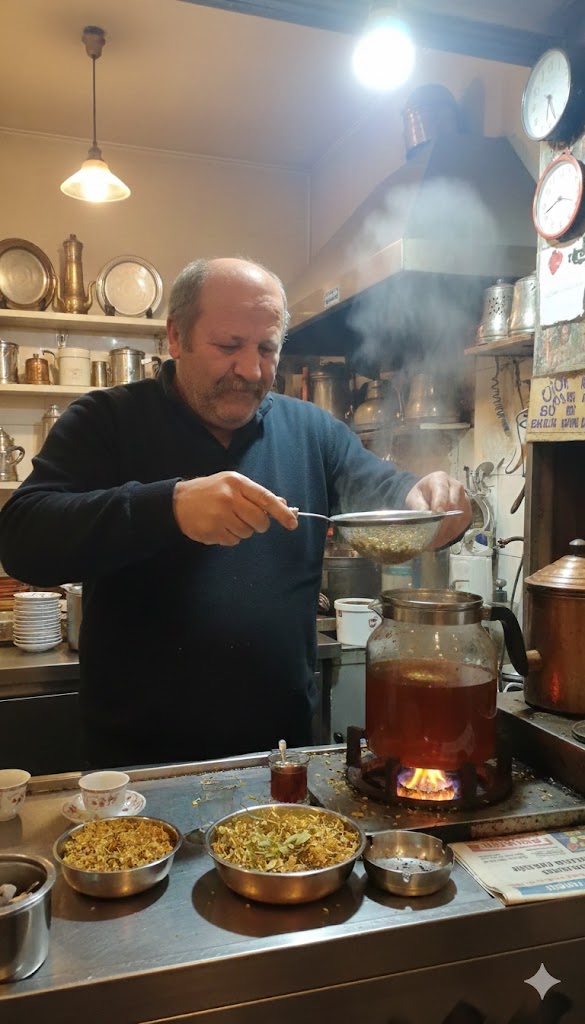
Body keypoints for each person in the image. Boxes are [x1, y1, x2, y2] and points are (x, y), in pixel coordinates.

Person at [0, 257, 471, 768]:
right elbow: (24, 537)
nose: (251, 370)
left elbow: (383, 491)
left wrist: (429, 503)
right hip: (137, 764)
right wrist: (170, 507)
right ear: (176, 338)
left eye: (267, 349)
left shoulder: (314, 431)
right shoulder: (105, 421)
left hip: (282, 756)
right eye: (229, 346)